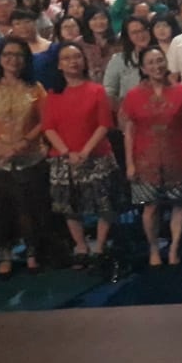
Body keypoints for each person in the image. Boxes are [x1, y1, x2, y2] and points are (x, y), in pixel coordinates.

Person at [0, 38, 50, 278]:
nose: (13, 59)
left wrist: (23, 142)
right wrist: (0, 146)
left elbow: (43, 120)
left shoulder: (35, 87)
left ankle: (32, 253)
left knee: (29, 206)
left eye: (18, 55)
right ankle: (5, 256)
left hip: (29, 156)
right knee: (1, 210)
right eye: (8, 54)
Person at [42, 43, 119, 268]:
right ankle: (81, 246)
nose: (73, 62)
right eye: (67, 58)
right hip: (63, 157)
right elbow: (48, 127)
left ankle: (100, 246)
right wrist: (67, 152)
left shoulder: (96, 90)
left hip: (96, 155)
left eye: (77, 57)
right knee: (70, 206)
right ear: (59, 64)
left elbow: (105, 123)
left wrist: (85, 151)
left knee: (105, 204)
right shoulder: (53, 94)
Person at [121, 46, 182, 267]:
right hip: (145, 158)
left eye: (160, 61)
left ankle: (174, 248)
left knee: (179, 203)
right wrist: (129, 163)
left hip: (177, 154)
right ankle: (154, 248)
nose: (157, 66)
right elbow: (129, 131)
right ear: (143, 68)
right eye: (151, 63)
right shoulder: (133, 95)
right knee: (150, 207)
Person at [105, 16, 153, 106]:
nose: (141, 35)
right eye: (135, 32)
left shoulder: (163, 55)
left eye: (143, 30)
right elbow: (109, 91)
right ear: (128, 36)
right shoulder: (118, 60)